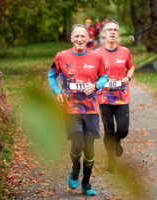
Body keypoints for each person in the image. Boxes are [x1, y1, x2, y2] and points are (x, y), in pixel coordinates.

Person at [47, 24, 108, 196]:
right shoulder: (61, 56)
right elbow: (52, 75)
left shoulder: (97, 57)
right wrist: (57, 92)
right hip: (70, 109)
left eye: (83, 36)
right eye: (77, 36)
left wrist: (96, 85)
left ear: (88, 38)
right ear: (71, 38)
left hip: (91, 110)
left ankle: (86, 183)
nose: (80, 39)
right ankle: (75, 169)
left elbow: (104, 76)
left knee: (89, 149)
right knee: (78, 144)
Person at [95, 20, 135, 172]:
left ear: (118, 34)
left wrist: (128, 78)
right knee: (109, 130)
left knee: (123, 130)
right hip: (104, 97)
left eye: (115, 30)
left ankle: (118, 141)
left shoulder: (125, 51)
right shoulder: (97, 53)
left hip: (121, 96)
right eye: (109, 30)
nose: (112, 32)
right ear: (104, 33)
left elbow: (131, 67)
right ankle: (111, 161)